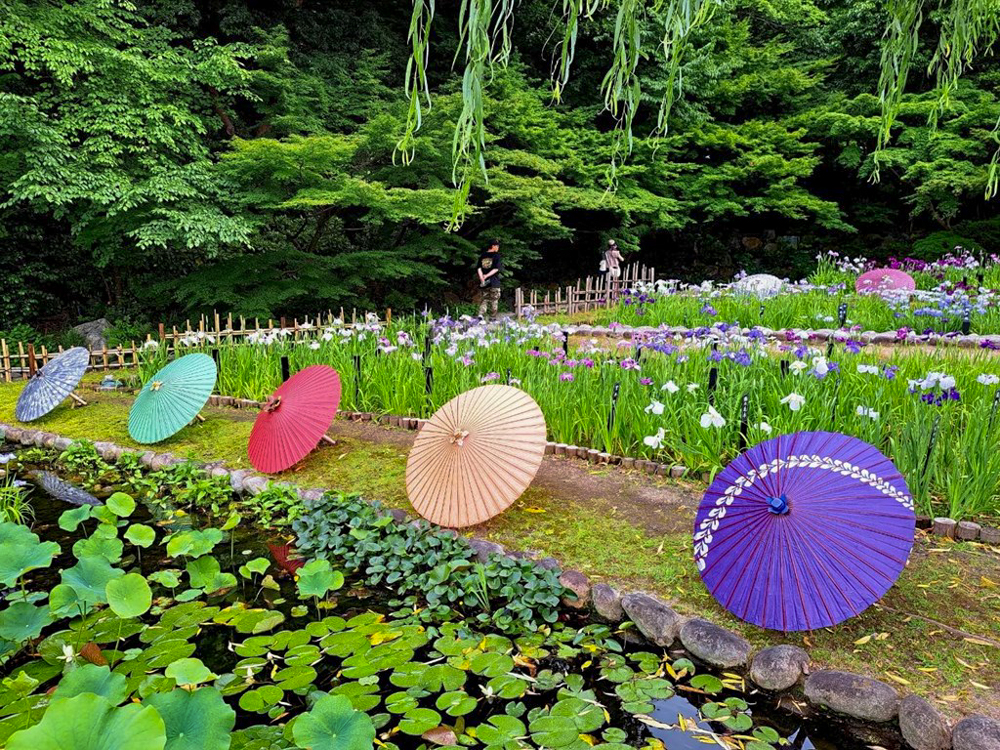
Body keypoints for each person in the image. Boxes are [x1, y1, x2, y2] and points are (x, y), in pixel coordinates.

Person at [477, 239, 503, 319]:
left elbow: (479, 268)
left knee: (484, 299)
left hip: (485, 282)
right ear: (493, 246)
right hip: (494, 281)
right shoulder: (496, 255)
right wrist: (487, 275)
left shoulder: (483, 255)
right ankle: (493, 317)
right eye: (497, 246)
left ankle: (481, 314)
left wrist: (482, 277)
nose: (498, 247)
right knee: (494, 299)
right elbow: (496, 269)